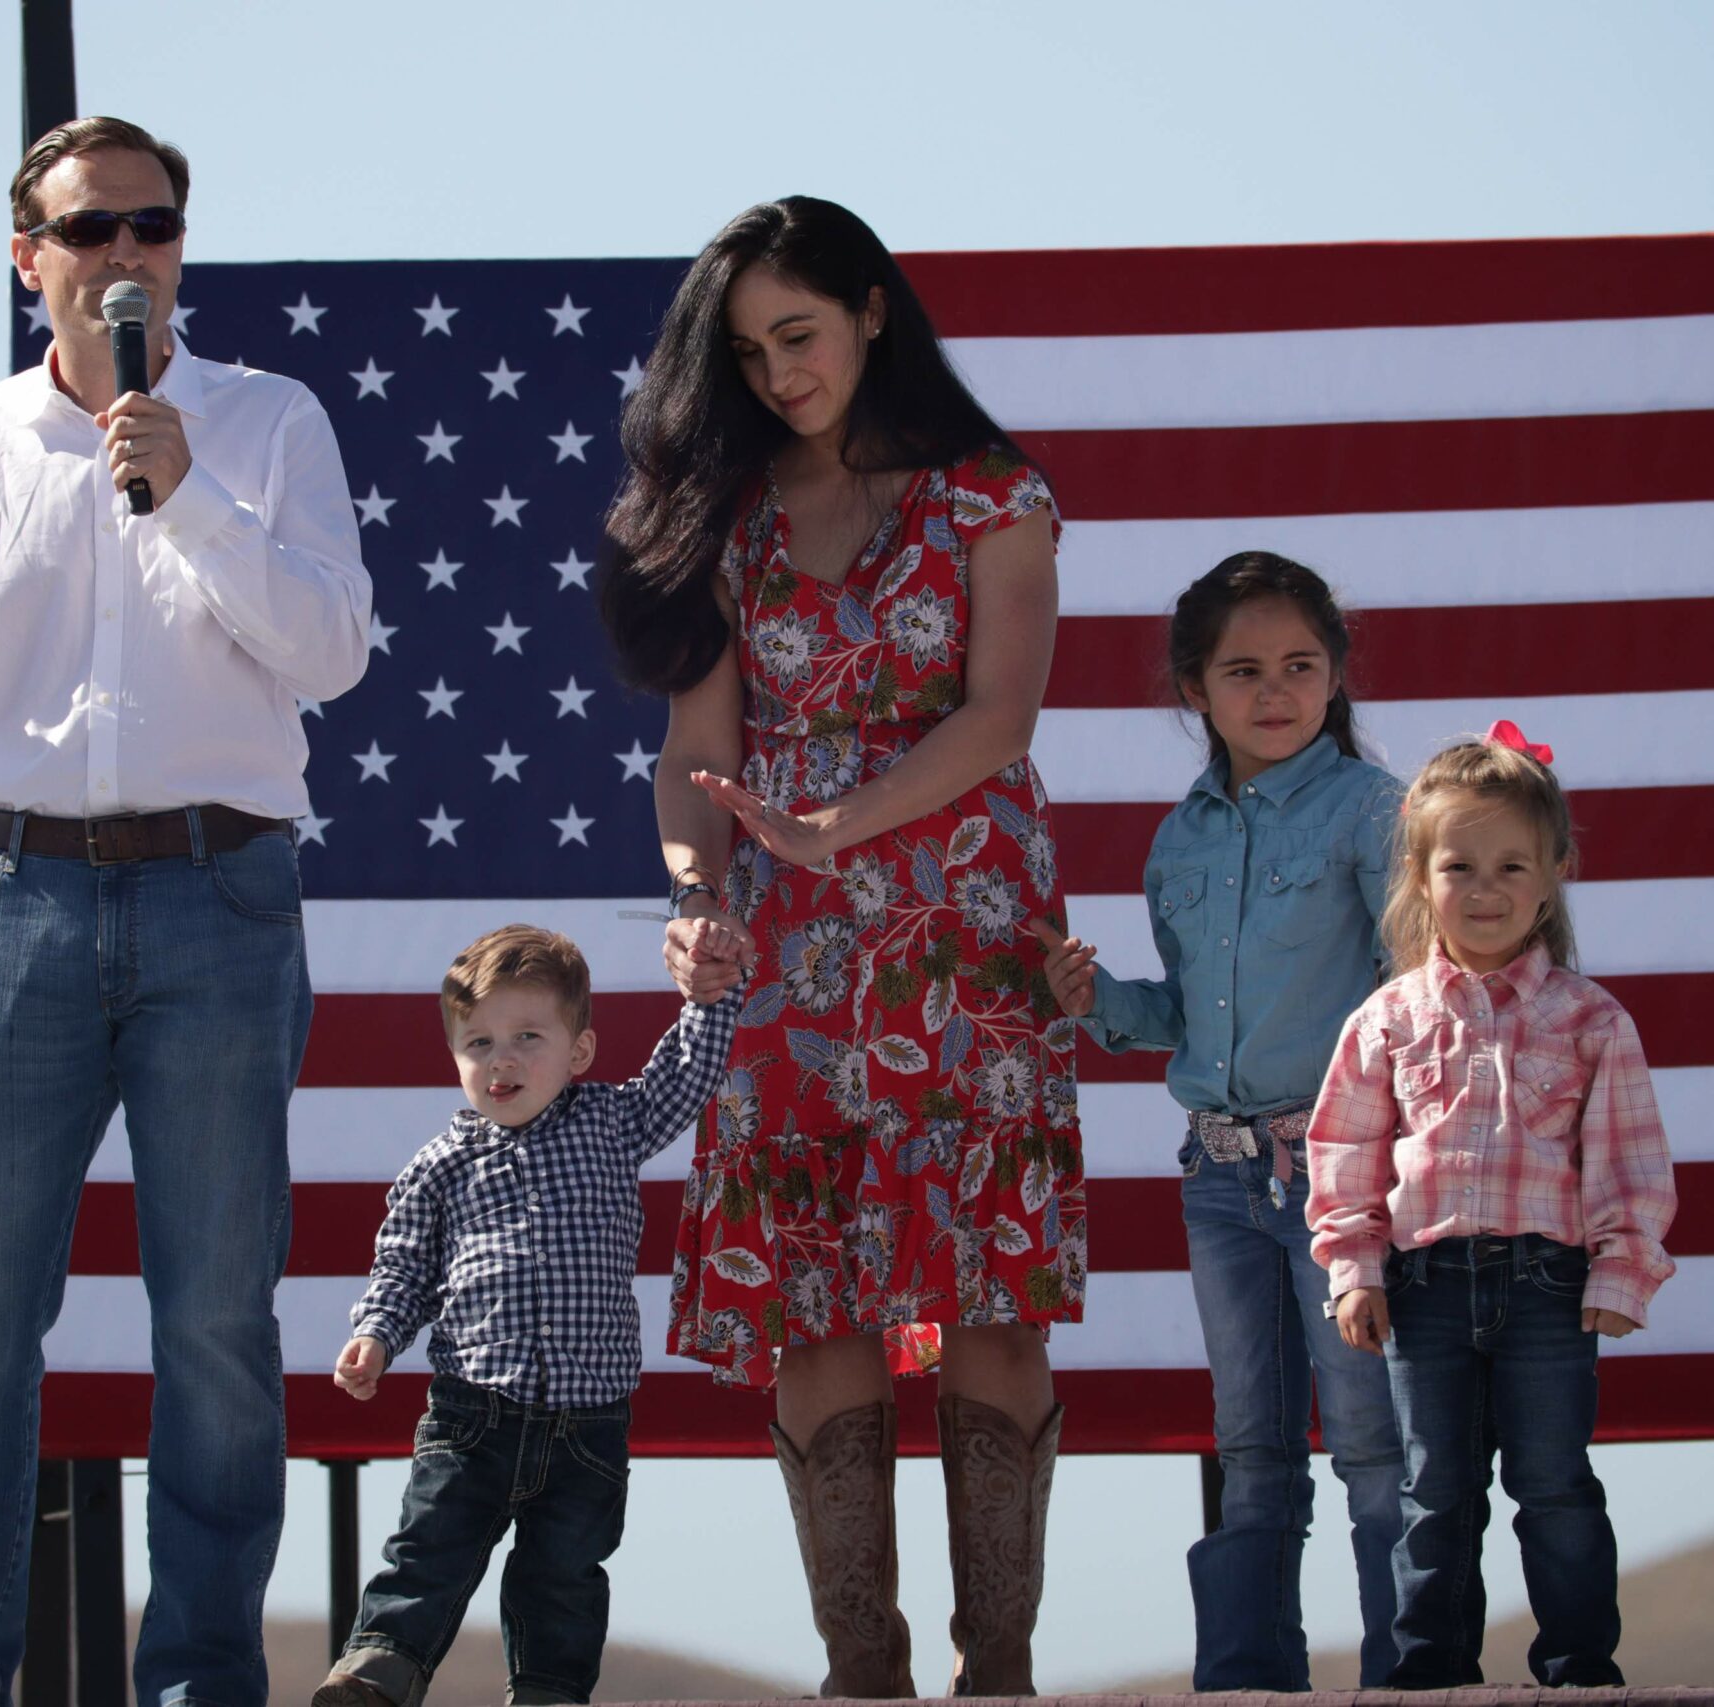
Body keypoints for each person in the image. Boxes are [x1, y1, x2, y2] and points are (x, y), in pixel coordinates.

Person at [0, 116, 372, 1707]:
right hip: (16, 896)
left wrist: (181, 493)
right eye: (92, 228)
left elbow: (332, 649)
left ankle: (199, 1685)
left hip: (222, 896)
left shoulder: (265, 422)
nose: (127, 255)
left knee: (218, 1332)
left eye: (155, 227)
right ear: (27, 256)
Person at [599, 195, 1082, 1697]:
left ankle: (995, 1667)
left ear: (873, 310)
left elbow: (1002, 715)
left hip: (973, 925)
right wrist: (698, 892)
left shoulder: (996, 494)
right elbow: (696, 751)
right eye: (746, 354)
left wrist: (842, 821)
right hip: (796, 957)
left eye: (797, 335)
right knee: (817, 1305)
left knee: (991, 1301)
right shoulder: (728, 519)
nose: (777, 373)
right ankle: (860, 1669)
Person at [1037, 552, 1407, 1690]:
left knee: (1373, 1445)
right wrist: (1096, 1001)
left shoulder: (1375, 814)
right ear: (1192, 689)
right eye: (1241, 670)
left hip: (1349, 1175)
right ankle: (1247, 1674)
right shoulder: (1180, 841)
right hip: (1221, 1176)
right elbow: (1189, 1015)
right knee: (1250, 1445)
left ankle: (1415, 1669)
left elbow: (1419, 994)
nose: (1274, 691)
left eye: (1300, 665)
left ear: (1337, 674)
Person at [1306, 724, 1677, 1688]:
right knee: (1434, 1493)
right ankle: (1430, 1673)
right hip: (1424, 1289)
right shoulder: (1387, 1018)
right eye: (1459, 864)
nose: (1485, 888)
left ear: (1555, 871)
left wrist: (1622, 1268)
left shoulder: (1591, 1020)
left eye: (1512, 863)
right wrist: (1354, 1268)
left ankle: (1579, 1665)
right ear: (1420, 876)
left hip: (1552, 1287)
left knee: (1554, 1486)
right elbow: (1345, 1150)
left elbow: (1628, 1159)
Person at [315, 923, 747, 1707]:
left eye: (526, 1036)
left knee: (565, 1576)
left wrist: (711, 992)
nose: (501, 1059)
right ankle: (380, 1666)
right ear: (454, 1056)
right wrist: (375, 1336)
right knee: (430, 1545)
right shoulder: (440, 1165)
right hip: (473, 1410)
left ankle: (550, 1691)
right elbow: (403, 1269)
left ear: (578, 1051)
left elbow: (688, 1071)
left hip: (589, 1422)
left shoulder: (613, 1123)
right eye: (478, 1041)